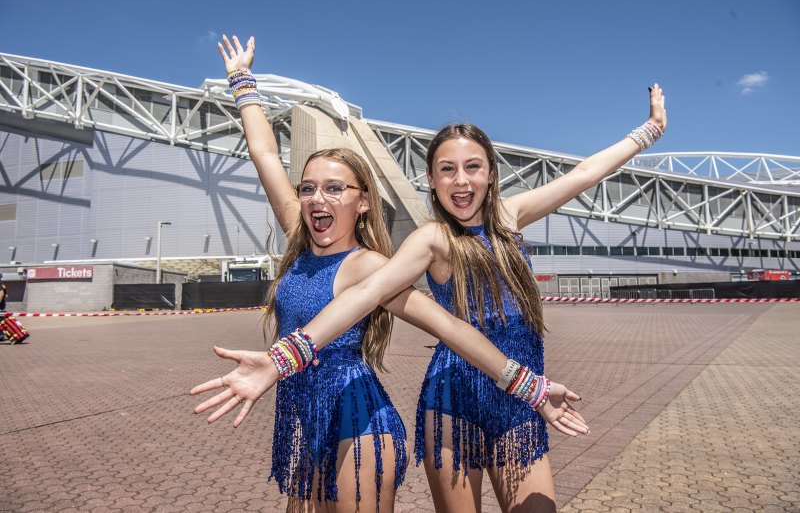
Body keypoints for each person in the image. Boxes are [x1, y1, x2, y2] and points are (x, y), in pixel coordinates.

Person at [191, 35, 587, 513]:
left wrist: (529, 385)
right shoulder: (300, 230)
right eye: (309, 188)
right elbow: (265, 154)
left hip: (357, 420)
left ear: (362, 203)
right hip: (302, 411)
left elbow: (448, 326)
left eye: (335, 189)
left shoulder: (370, 265)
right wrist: (242, 82)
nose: (319, 198)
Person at [224, 84, 667, 511]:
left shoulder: (510, 217)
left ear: (491, 174)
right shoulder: (431, 238)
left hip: (514, 388)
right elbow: (367, 293)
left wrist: (647, 133)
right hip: (454, 393)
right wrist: (286, 357)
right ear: (431, 181)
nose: (461, 180)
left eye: (473, 167)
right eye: (447, 169)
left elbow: (586, 173)